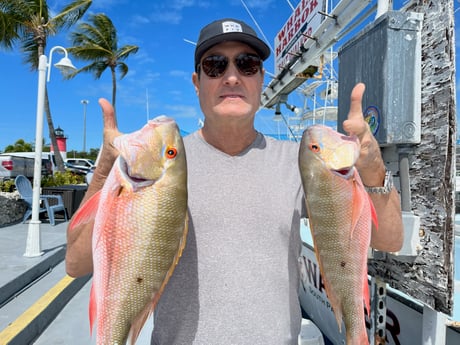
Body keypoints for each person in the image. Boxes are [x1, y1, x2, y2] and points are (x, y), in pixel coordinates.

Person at [66, 18, 403, 344]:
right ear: (197, 82)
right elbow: (76, 263)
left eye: (247, 64)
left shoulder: (304, 161)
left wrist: (372, 168)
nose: (231, 77)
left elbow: (389, 240)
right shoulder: (162, 164)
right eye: (215, 65)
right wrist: (105, 169)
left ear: (261, 80)